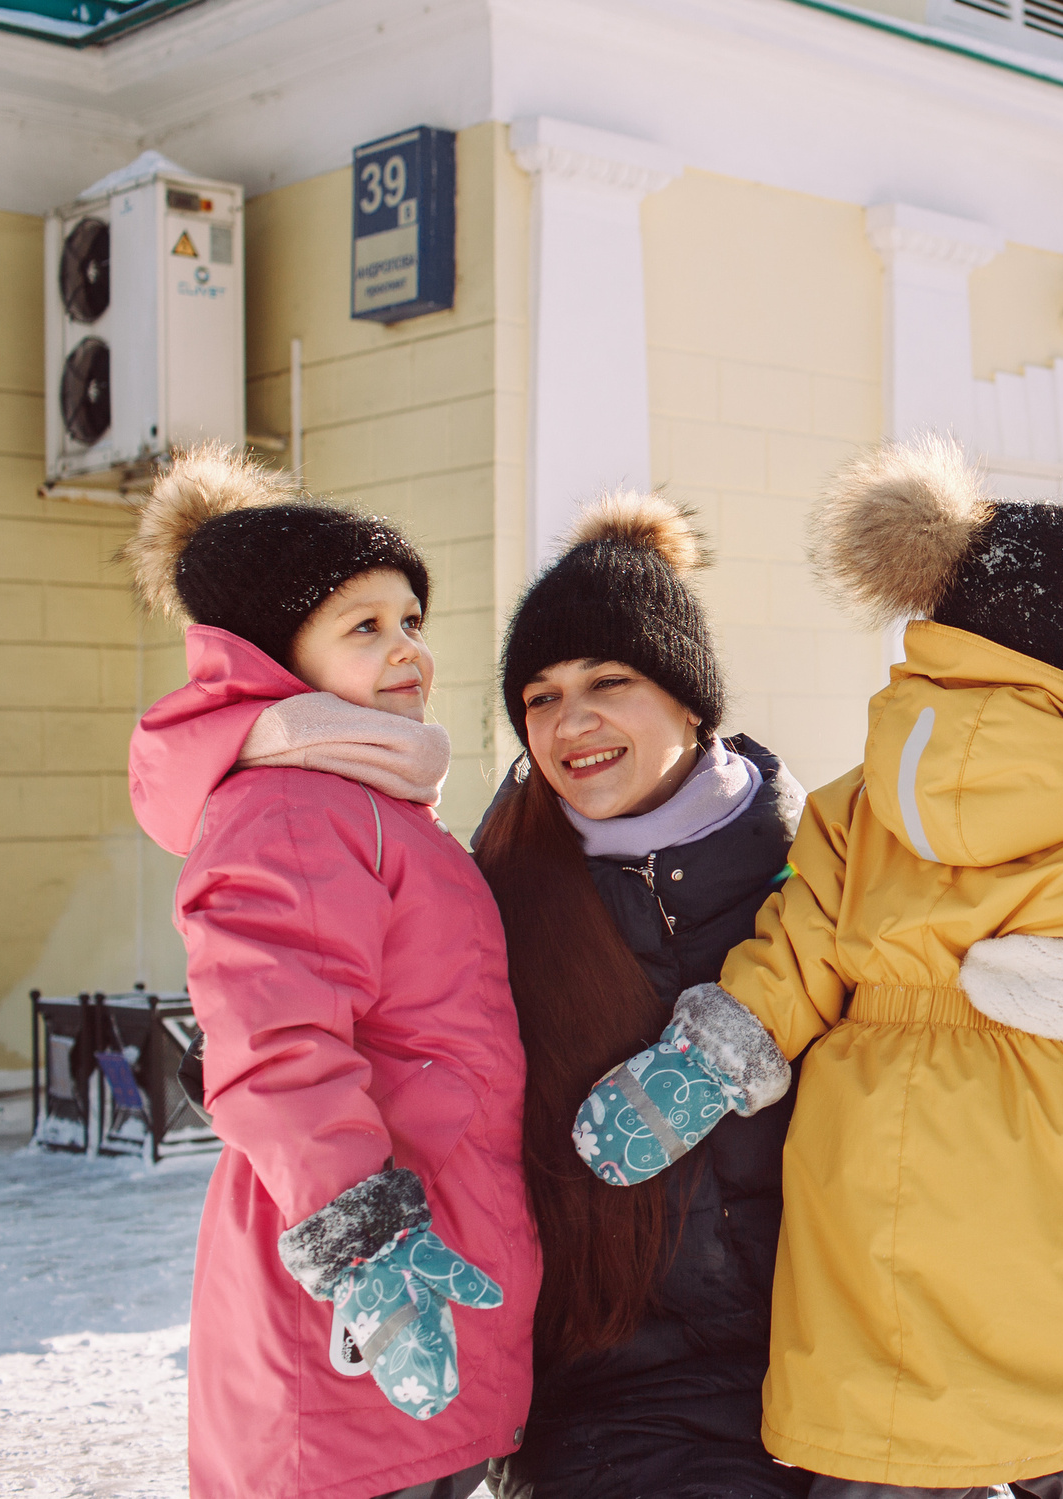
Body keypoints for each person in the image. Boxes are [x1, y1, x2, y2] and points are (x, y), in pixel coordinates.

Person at [571, 438, 1063, 1497]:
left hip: (863, 1127)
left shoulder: (858, 800)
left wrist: (704, 1063)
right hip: (1039, 1134)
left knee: (885, 1398)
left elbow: (795, 947)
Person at [123, 446, 537, 1499]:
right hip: (365, 1281)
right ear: (278, 659)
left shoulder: (364, 800)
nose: (408, 650)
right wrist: (370, 1249)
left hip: (427, 1248)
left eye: (412, 620)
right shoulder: (295, 812)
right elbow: (275, 1050)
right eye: (365, 626)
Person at [472, 493, 811, 1499]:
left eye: (607, 682)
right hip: (620, 1393)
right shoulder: (492, 895)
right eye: (538, 697)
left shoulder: (820, 875)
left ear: (689, 697)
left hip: (847, 1368)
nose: (569, 722)